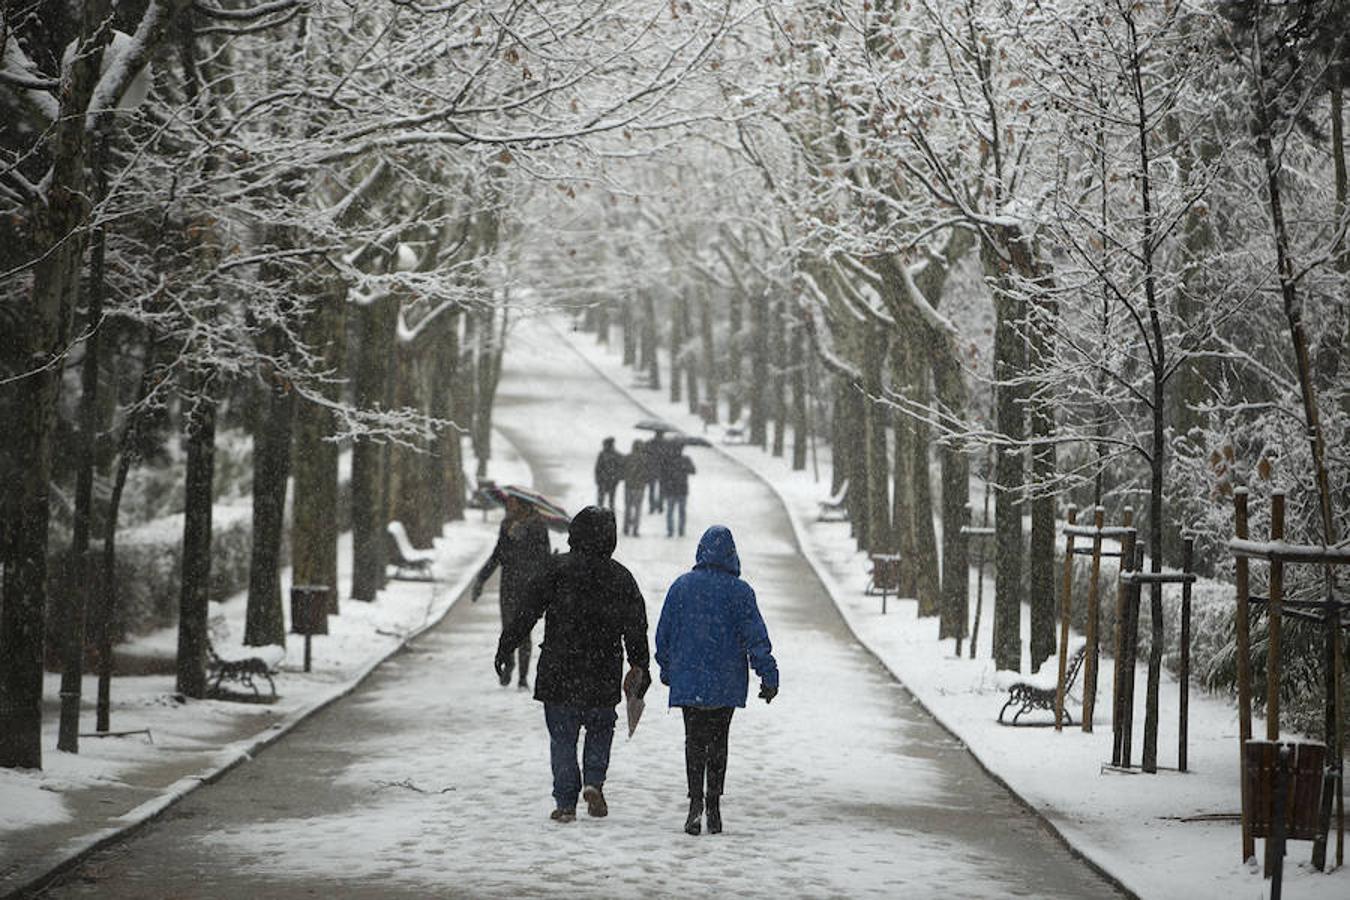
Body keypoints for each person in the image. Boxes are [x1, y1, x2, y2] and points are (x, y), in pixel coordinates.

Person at [496, 506, 652, 823]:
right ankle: (594, 781)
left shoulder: (556, 570)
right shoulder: (620, 577)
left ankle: (566, 802)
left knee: (563, 738)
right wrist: (640, 665)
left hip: (559, 670)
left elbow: (527, 611)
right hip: (602, 671)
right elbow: (636, 627)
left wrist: (506, 646)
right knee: (599, 729)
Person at [655, 525, 778, 836]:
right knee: (718, 740)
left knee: (693, 740)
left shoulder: (681, 587)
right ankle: (714, 805)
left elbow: (663, 634)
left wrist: (668, 668)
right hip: (726, 682)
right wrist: (768, 676)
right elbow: (756, 638)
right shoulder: (740, 592)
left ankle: (694, 804)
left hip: (689, 680)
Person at [472, 495, 552, 689]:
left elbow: (544, 556)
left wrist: (549, 572)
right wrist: (481, 579)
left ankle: (523, 677)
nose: (508, 506)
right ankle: (509, 663)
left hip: (529, 587)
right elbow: (497, 554)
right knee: (508, 628)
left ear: (523, 505)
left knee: (524, 630)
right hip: (509, 584)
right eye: (508, 503)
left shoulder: (538, 526)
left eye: (512, 503)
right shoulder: (506, 525)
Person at [661, 446, 696, 538]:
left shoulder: (668, 461)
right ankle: (681, 531)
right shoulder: (686, 460)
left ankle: (670, 531)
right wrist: (684, 468)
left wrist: (664, 489)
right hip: (682, 490)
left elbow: (663, 476)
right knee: (681, 512)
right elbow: (693, 470)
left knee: (670, 512)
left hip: (671, 490)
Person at [622, 439, 647, 537]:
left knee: (628, 508)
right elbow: (647, 473)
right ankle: (635, 530)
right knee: (637, 509)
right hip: (640, 487)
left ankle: (626, 528)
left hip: (629, 486)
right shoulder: (644, 459)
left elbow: (623, 470)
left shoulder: (628, 458)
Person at [593, 436, 625, 510]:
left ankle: (600, 514)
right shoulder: (617, 455)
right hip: (610, 481)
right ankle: (609, 515)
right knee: (610, 501)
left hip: (605, 481)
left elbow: (597, 468)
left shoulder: (603, 454)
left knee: (602, 500)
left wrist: (598, 479)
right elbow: (621, 467)